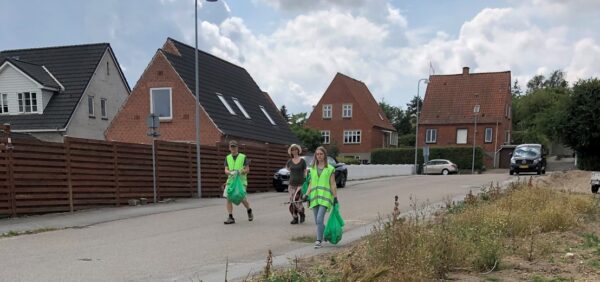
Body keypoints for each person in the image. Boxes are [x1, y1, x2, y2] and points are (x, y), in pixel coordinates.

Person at [304, 146, 338, 248]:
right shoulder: (312, 168)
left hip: (325, 197)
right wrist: (306, 194)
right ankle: (326, 234)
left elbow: (333, 184)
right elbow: (311, 183)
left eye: (321, 154)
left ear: (324, 155)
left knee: (319, 219)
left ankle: (318, 241)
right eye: (317, 154)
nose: (319, 156)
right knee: (317, 221)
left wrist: (335, 197)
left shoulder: (330, 168)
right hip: (314, 197)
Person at [223, 140, 253, 224]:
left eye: (234, 147)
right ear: (229, 148)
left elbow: (247, 169)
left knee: (242, 198)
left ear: (237, 147)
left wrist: (240, 172)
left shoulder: (243, 157)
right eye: (231, 147)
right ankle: (230, 217)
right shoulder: (227, 157)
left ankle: (249, 210)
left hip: (241, 181)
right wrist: (230, 172)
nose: (233, 148)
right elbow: (225, 170)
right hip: (231, 181)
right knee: (229, 198)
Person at [286, 144, 307, 224]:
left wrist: (305, 180)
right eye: (292, 150)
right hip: (291, 184)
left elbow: (305, 171)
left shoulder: (302, 161)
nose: (294, 151)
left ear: (298, 150)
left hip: (300, 184)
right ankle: (295, 218)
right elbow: (287, 169)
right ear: (291, 152)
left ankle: (302, 214)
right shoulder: (289, 161)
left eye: (295, 149)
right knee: (292, 202)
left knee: (297, 201)